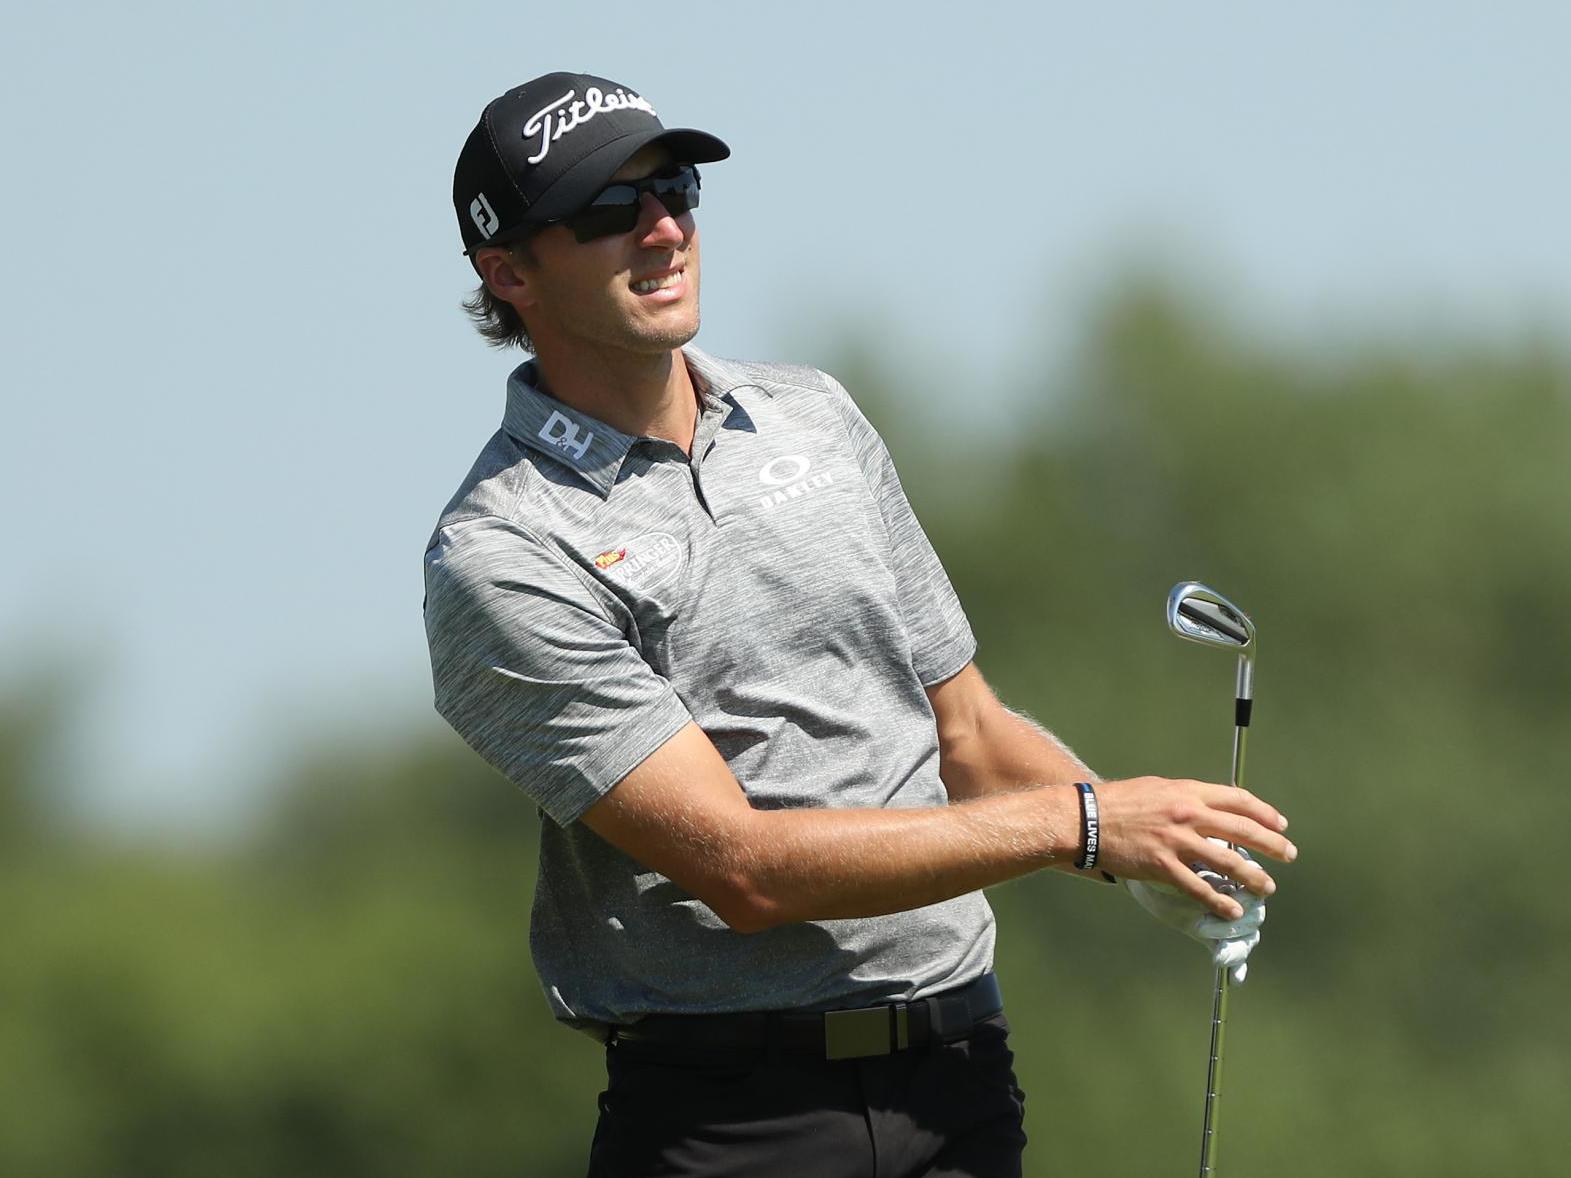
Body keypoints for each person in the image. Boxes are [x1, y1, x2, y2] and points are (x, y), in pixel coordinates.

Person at [423, 71, 1296, 1178]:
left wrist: (1152, 863)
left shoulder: (813, 416)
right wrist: (1083, 825)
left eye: (674, 188)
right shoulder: (503, 549)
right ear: (508, 274)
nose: (661, 228)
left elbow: (967, 732)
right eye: (606, 211)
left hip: (959, 1078)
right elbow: (742, 867)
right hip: (732, 1121)